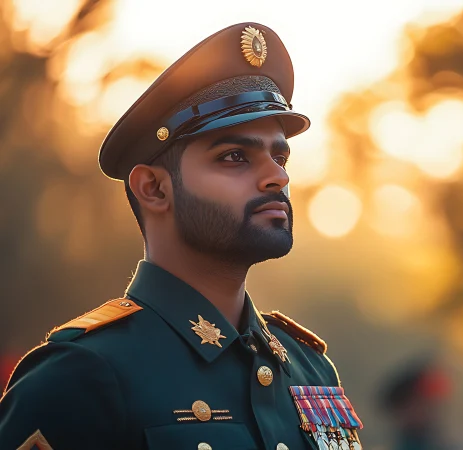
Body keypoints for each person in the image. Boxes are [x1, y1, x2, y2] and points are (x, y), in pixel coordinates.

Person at [0, 22, 363, 450]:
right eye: (234, 157)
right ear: (153, 188)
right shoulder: (81, 374)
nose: (276, 176)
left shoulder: (310, 369)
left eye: (279, 155)